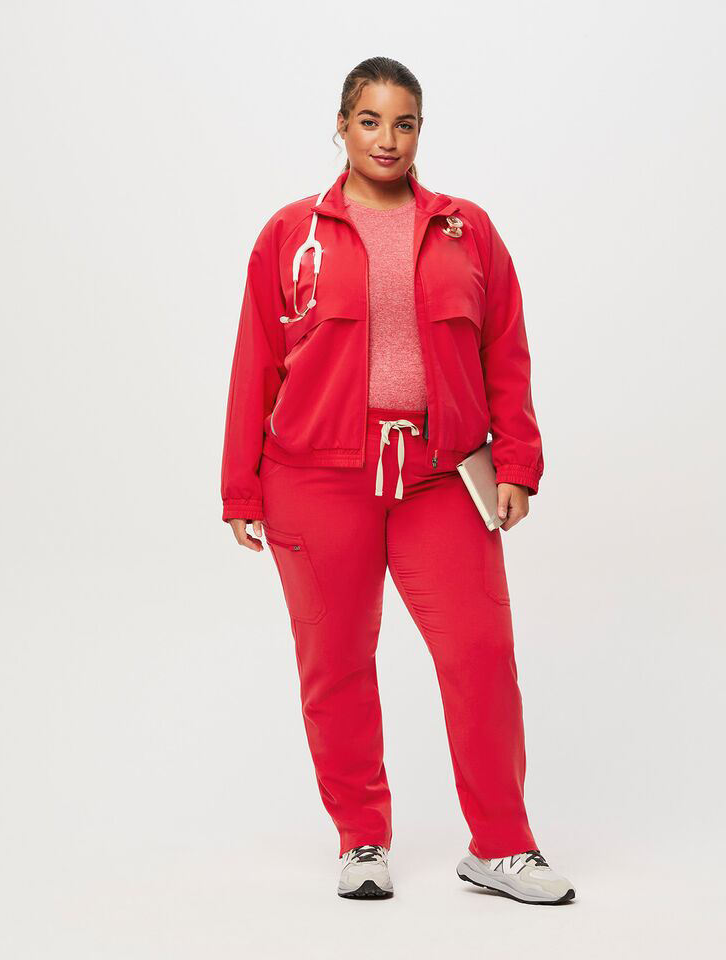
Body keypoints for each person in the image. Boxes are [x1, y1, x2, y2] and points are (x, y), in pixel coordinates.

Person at [220, 57, 575, 905]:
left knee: (481, 654)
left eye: (404, 122)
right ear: (341, 126)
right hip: (315, 478)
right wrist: (241, 488)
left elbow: (505, 350)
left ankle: (501, 847)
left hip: (440, 475)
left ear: (421, 132)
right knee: (337, 663)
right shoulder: (290, 234)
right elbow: (255, 361)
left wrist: (517, 461)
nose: (387, 139)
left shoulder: (466, 230)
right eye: (370, 120)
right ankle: (362, 839)